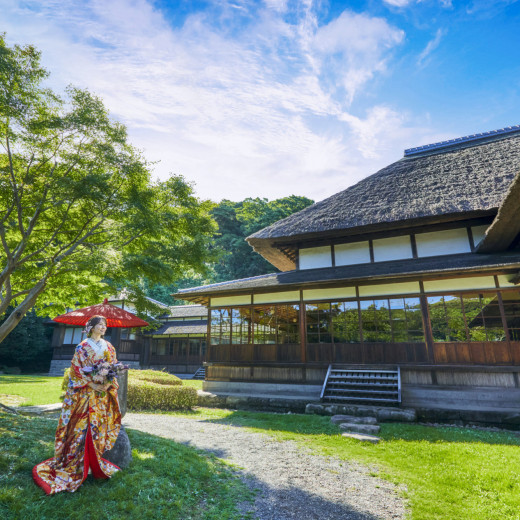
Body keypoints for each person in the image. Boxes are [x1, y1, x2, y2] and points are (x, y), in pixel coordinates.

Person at [33, 315, 122, 494]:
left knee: (98, 427)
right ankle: (77, 462)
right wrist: (91, 383)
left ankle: (94, 462)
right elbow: (76, 370)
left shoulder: (109, 346)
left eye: (105, 325)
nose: (103, 328)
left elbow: (112, 367)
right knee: (81, 427)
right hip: (85, 393)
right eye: (100, 325)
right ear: (91, 327)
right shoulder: (82, 346)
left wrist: (107, 382)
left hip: (101, 395)